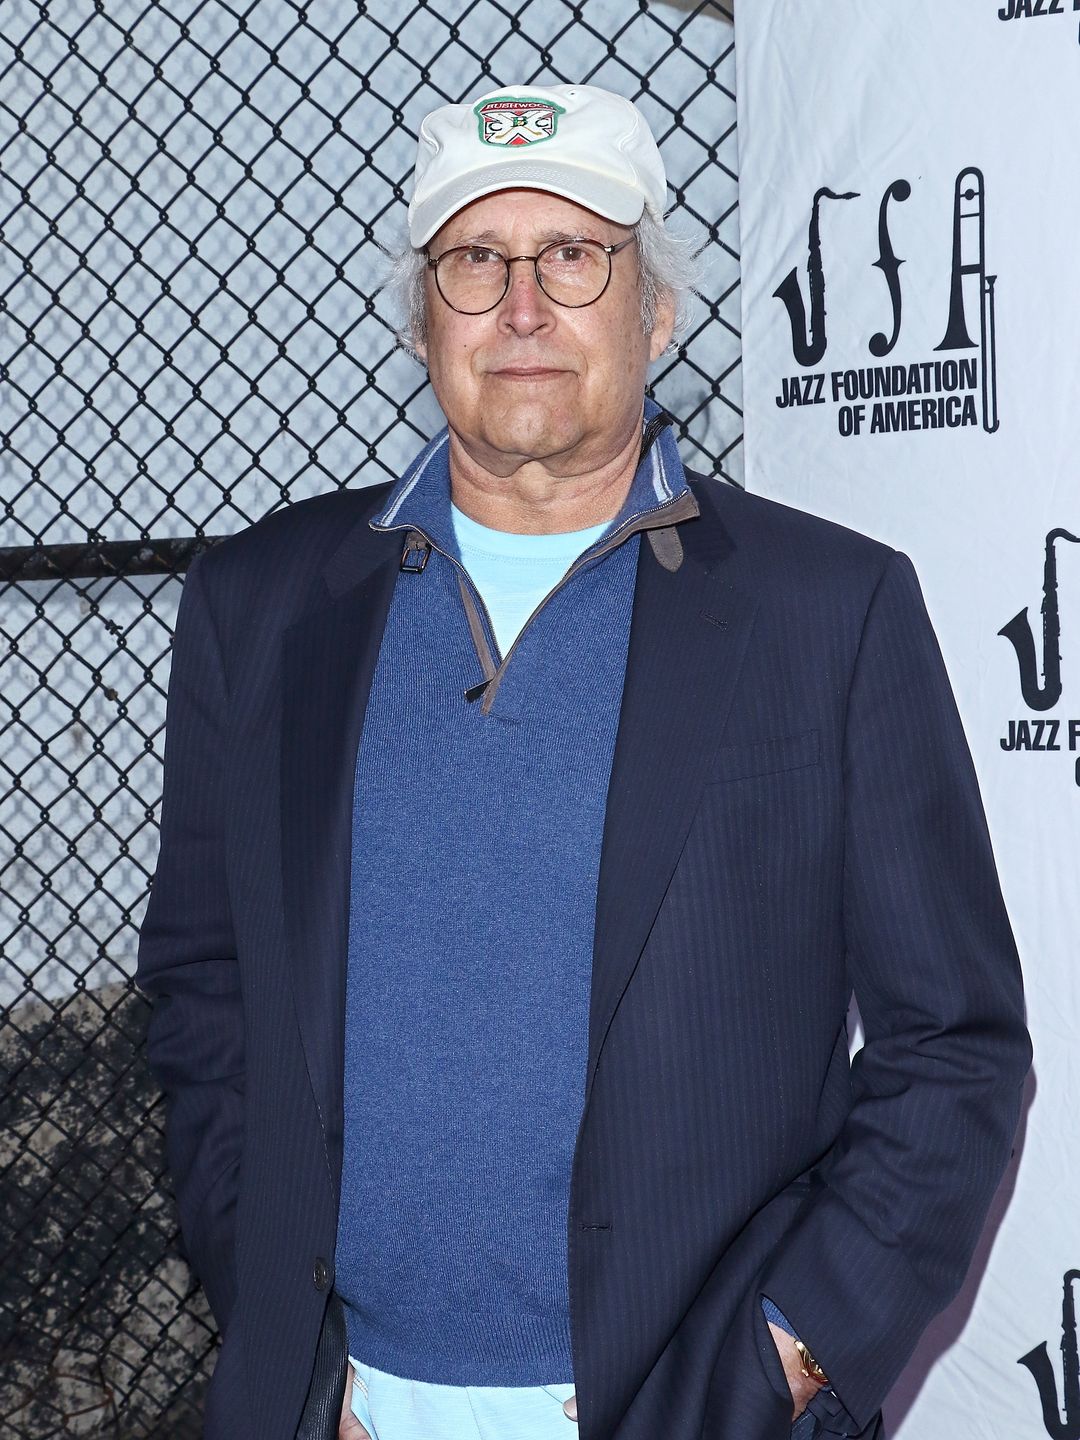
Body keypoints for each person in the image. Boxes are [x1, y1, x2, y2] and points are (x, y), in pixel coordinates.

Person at [137, 83, 1031, 1440]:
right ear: (425, 318)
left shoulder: (825, 612)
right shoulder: (261, 606)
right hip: (342, 1405)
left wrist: (790, 1350)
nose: (523, 307)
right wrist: (273, 1300)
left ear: (654, 313)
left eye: (574, 257)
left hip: (681, 1406)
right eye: (475, 263)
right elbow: (203, 987)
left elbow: (953, 1046)